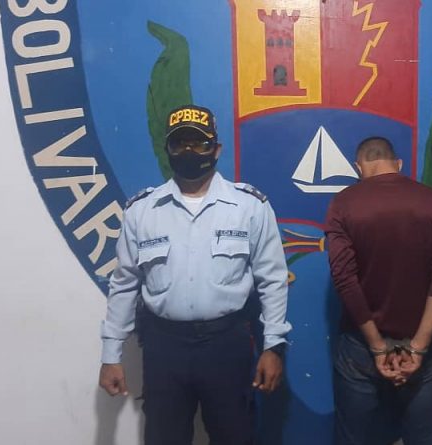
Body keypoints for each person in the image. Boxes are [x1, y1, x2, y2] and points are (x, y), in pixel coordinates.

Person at [98, 104, 291, 445]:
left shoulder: (249, 206)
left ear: (216, 149)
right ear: (167, 149)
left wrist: (273, 346)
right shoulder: (143, 210)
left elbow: (273, 280)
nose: (189, 151)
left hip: (226, 345)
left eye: (199, 143)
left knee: (235, 437)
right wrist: (111, 355)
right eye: (180, 143)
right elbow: (124, 284)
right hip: (164, 348)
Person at [325, 136, 432, 445]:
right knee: (423, 439)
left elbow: (344, 278)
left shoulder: (343, 204)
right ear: (398, 164)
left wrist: (377, 346)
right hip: (418, 345)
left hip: (361, 346)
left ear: (359, 167)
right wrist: (419, 346)